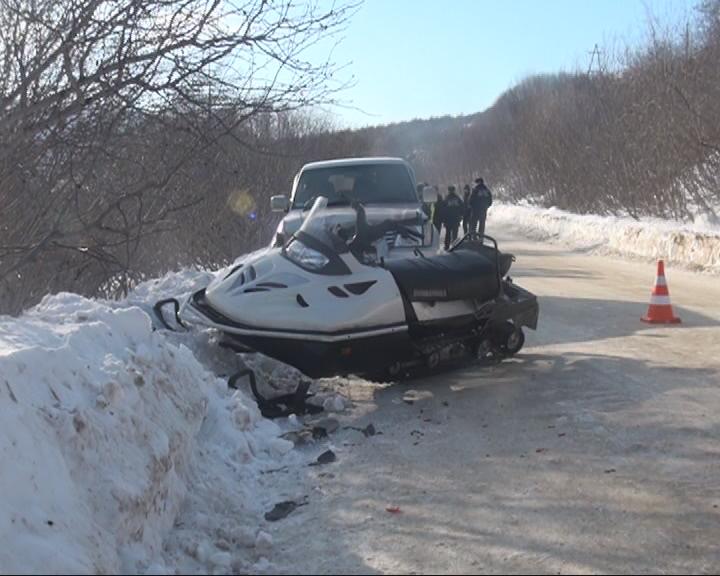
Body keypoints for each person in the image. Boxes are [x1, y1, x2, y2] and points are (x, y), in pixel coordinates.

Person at [442, 185, 464, 250]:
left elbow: (443, 209)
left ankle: (447, 246)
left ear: (448, 190)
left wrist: (443, 219)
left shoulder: (446, 198)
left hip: (448, 219)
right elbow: (462, 207)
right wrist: (461, 215)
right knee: (455, 233)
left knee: (448, 233)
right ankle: (455, 246)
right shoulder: (457, 198)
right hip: (456, 219)